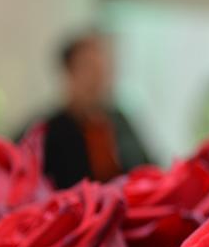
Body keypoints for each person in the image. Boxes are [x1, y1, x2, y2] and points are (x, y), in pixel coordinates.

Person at [41, 30, 149, 188]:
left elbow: (147, 169)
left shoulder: (118, 120)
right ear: (69, 72)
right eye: (89, 68)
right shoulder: (49, 131)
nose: (98, 78)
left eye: (102, 69)